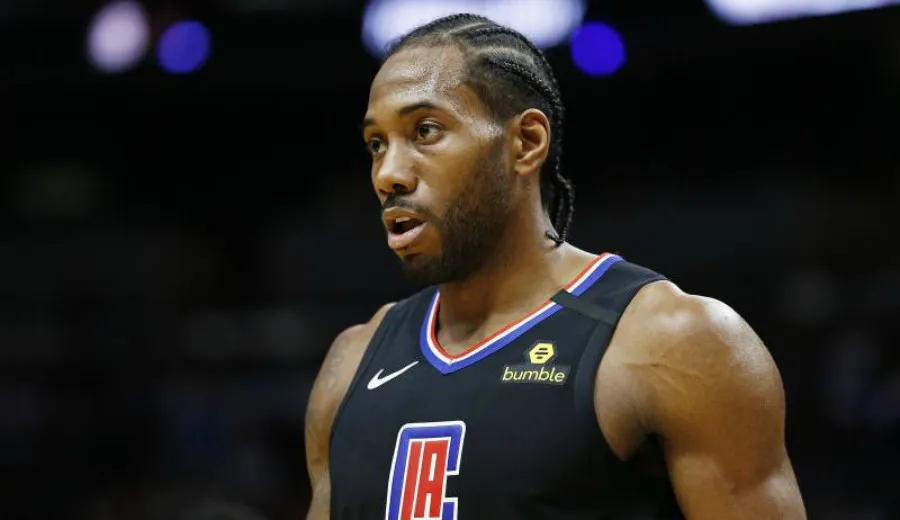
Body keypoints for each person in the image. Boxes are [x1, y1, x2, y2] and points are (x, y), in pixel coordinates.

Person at [304, 13, 806, 520]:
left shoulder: (673, 341)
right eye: (377, 144)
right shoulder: (351, 363)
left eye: (425, 131)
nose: (388, 174)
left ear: (526, 142)